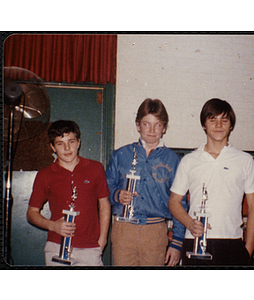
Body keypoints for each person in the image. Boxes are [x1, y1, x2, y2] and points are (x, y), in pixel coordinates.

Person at [169, 98, 254, 266]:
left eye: (224, 120)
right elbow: (174, 202)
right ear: (204, 124)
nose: (218, 125)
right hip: (195, 241)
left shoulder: (245, 160)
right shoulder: (189, 160)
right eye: (213, 120)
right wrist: (189, 223)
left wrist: (248, 248)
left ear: (231, 125)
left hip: (232, 243)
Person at [106, 98, 187, 266]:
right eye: (146, 124)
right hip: (123, 229)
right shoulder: (120, 155)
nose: (151, 130)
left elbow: (181, 202)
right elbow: (105, 187)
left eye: (157, 125)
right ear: (137, 125)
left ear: (164, 128)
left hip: (155, 231)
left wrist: (177, 242)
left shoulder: (173, 160)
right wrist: (116, 194)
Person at [27, 120, 111, 266]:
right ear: (52, 147)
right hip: (56, 246)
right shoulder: (44, 175)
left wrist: (102, 241)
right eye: (60, 143)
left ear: (78, 142)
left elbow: (104, 205)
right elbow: (31, 213)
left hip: (90, 247)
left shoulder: (95, 168)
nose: (67, 148)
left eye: (71, 141)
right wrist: (53, 226)